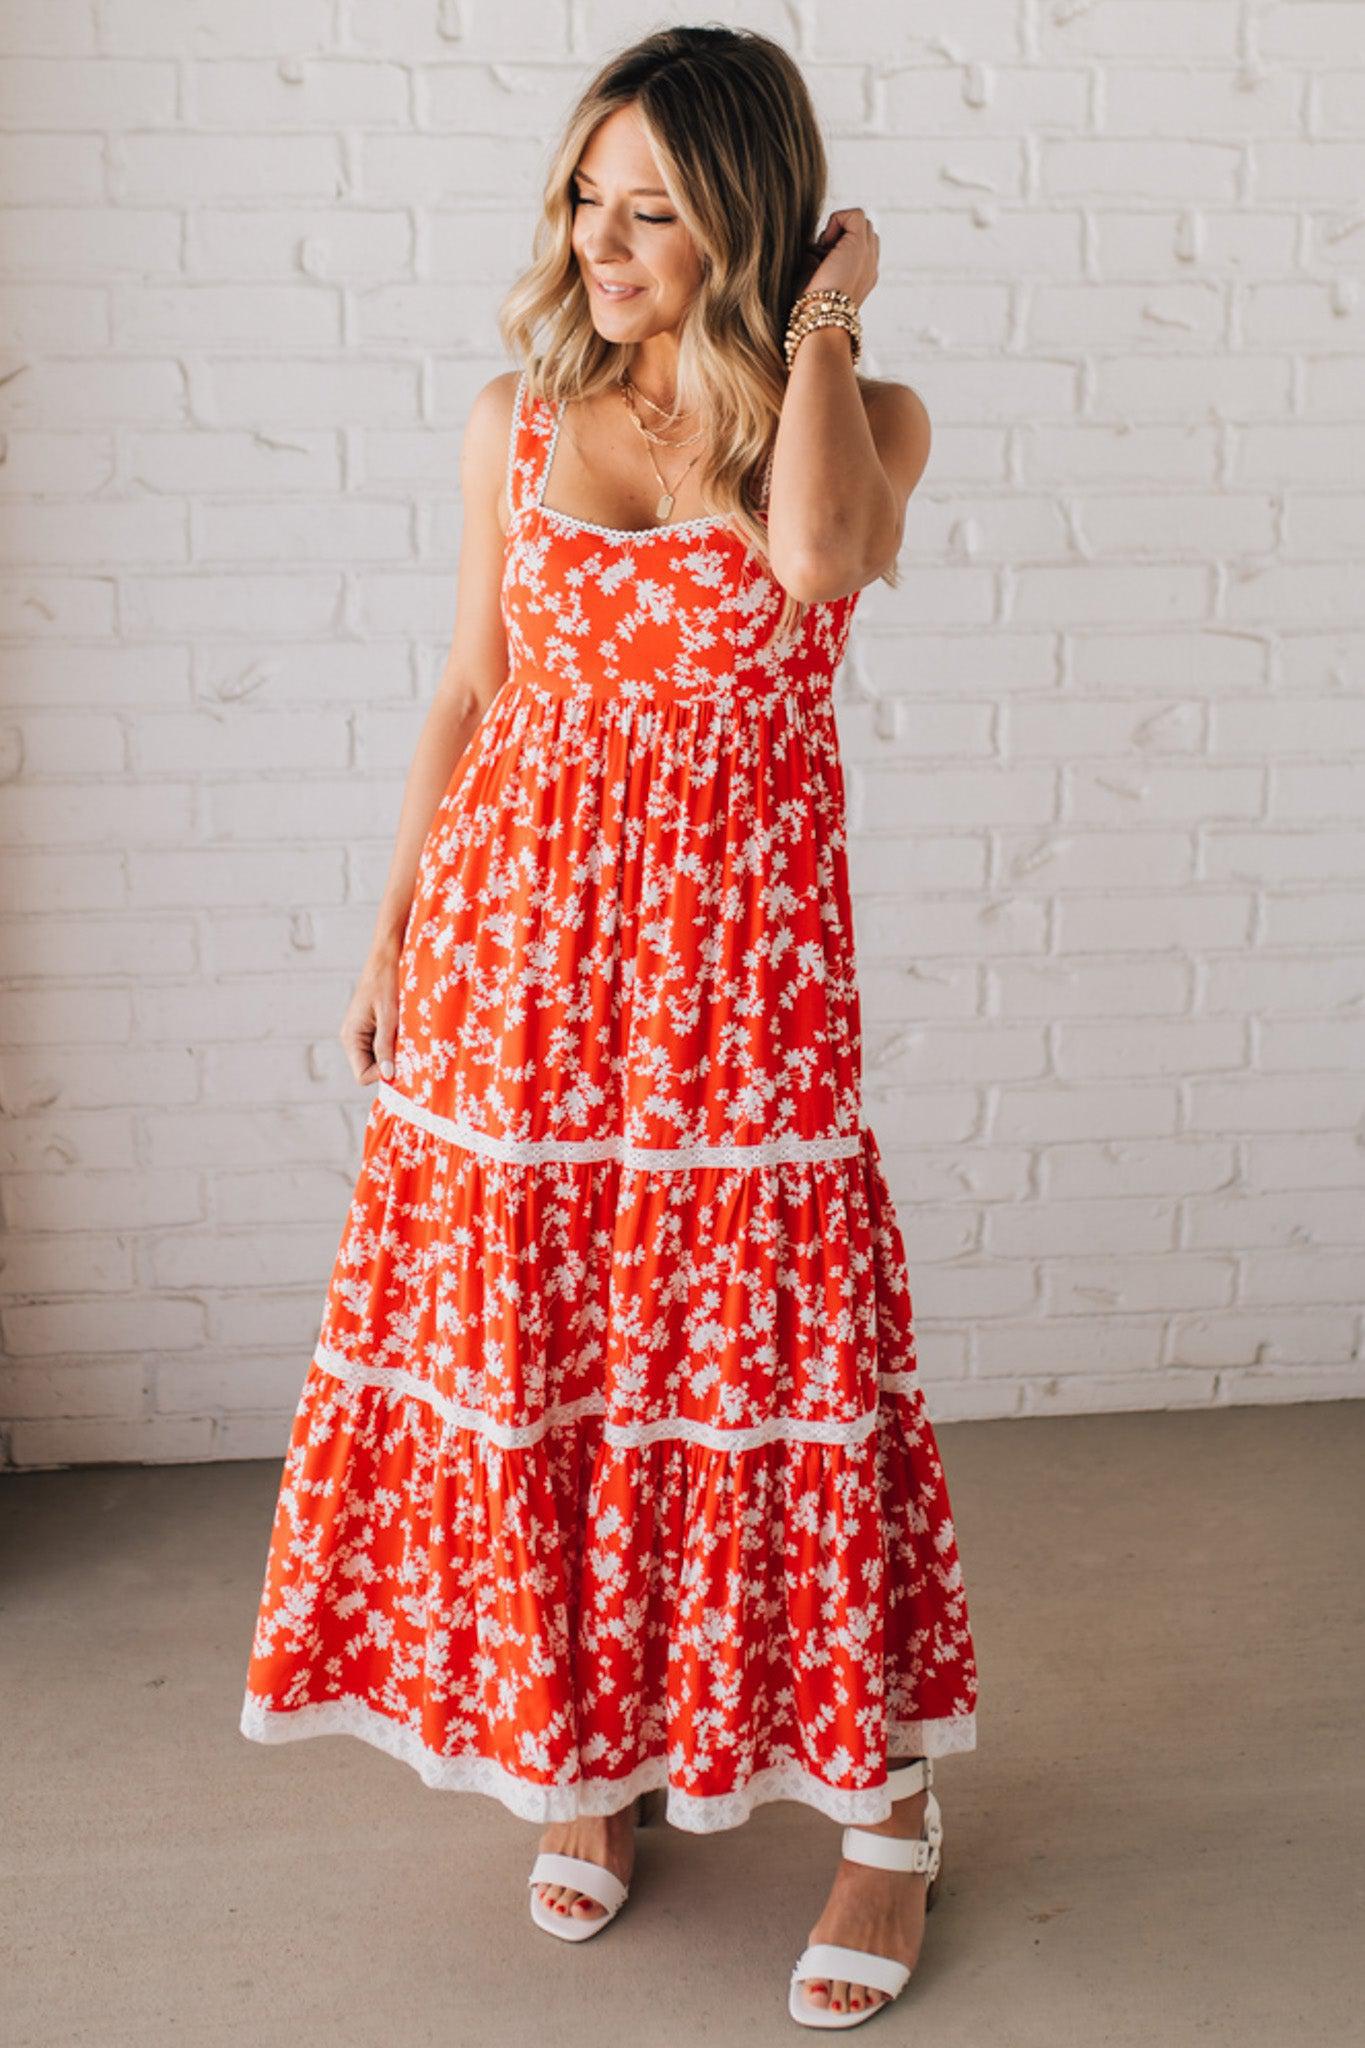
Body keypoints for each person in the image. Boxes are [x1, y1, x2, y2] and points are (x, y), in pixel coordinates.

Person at [239, 23, 979, 2030]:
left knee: (773, 1362)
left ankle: (883, 1824)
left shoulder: (861, 418)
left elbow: (816, 561)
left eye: (654, 206)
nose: (602, 239)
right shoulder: (512, 418)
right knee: (558, 1364)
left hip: (738, 1003)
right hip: (517, 981)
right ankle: (597, 1757)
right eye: (585, 194)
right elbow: (472, 690)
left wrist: (818, 318)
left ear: (744, 221)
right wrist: (398, 923)